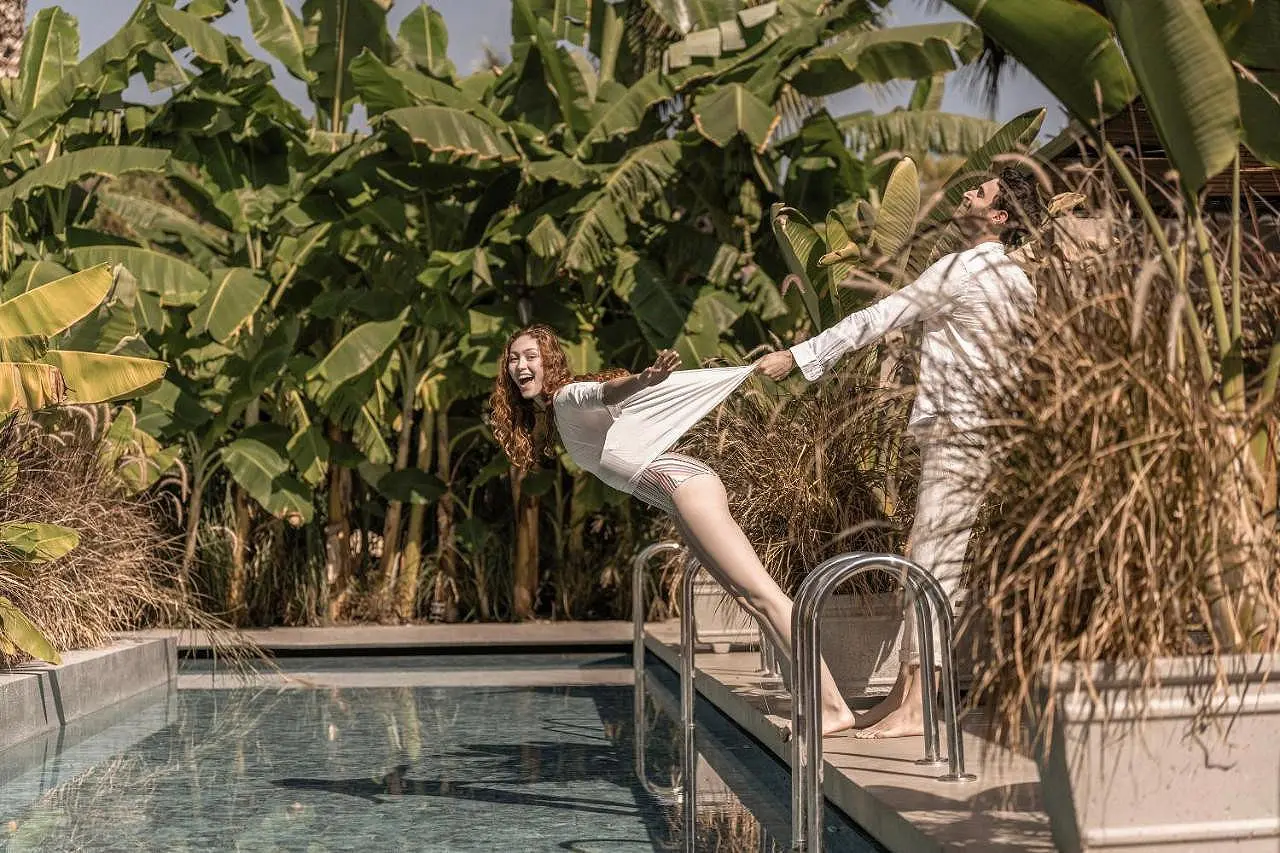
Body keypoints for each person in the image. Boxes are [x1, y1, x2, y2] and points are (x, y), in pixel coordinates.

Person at [756, 168, 1043, 738]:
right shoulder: (1019, 281)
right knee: (930, 552)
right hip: (985, 431)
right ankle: (900, 695)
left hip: (959, 430)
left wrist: (798, 357)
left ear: (999, 216)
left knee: (935, 561)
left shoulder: (962, 268)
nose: (968, 193)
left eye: (981, 192)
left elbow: (876, 317)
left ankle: (918, 705)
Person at [489, 325, 857, 736]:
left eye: (531, 356)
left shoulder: (567, 396)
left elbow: (606, 392)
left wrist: (644, 379)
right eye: (514, 358)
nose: (520, 365)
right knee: (750, 600)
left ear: (550, 360)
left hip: (687, 487)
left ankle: (832, 707)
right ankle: (812, 701)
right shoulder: (557, 409)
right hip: (679, 495)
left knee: (764, 595)